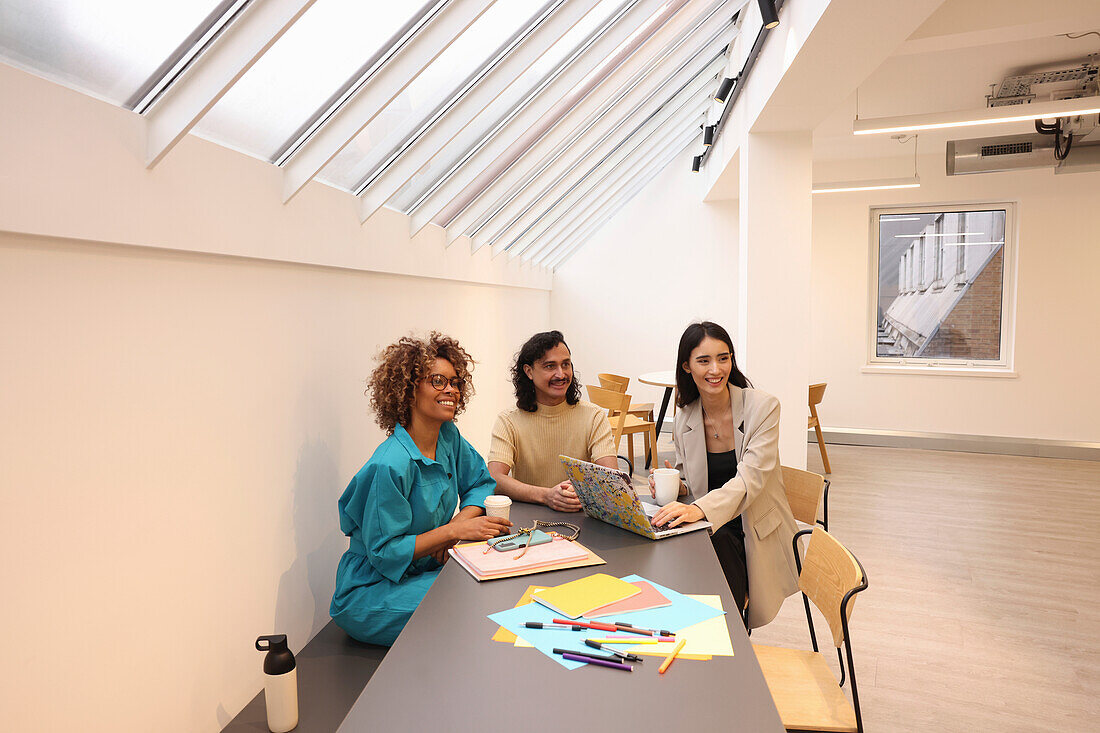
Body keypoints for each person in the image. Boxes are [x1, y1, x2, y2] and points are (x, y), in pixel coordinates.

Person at [330, 333, 512, 646]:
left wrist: (457, 526)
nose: (451, 390)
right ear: (408, 390)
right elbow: (385, 553)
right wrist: (450, 534)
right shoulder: (389, 465)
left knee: (492, 585)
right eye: (438, 381)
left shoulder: (448, 436)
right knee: (472, 603)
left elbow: (481, 482)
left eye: (455, 382)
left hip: (423, 569)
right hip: (371, 589)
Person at [652, 322, 799, 628]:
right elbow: (692, 485)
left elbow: (750, 481)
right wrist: (675, 487)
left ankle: (725, 638)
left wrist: (696, 509)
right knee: (671, 560)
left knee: (709, 567)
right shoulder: (685, 418)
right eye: (703, 361)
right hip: (713, 528)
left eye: (723, 358)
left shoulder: (763, 407)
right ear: (687, 366)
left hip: (756, 531)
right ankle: (714, 636)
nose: (715, 369)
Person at [487, 330, 618, 512]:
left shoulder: (593, 416)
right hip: (529, 519)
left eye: (566, 364)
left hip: (581, 516)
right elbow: (495, 478)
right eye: (550, 366)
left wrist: (574, 494)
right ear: (529, 372)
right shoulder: (508, 421)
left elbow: (611, 477)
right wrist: (546, 496)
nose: (561, 374)